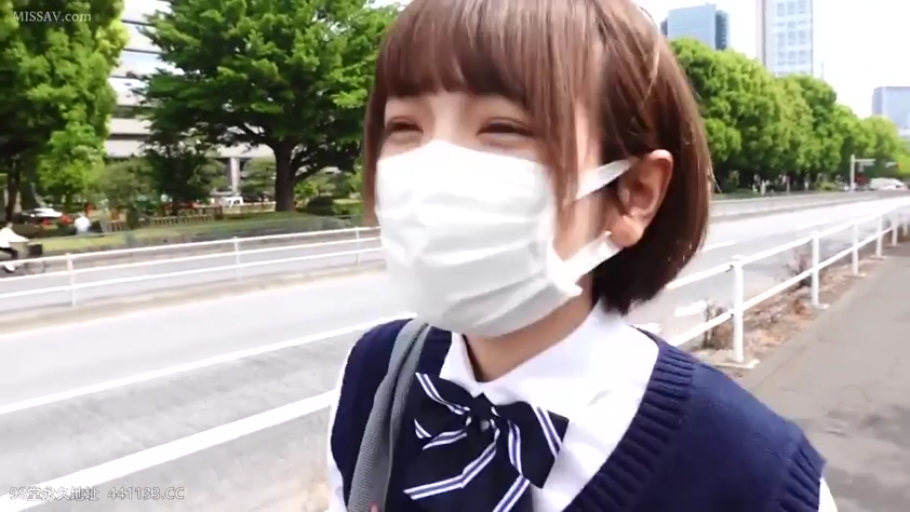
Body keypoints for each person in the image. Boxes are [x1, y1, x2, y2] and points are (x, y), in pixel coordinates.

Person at [327, 0, 837, 511]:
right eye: (404, 127)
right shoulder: (376, 374)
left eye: (503, 127)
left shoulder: (756, 479)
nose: (434, 168)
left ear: (634, 193)